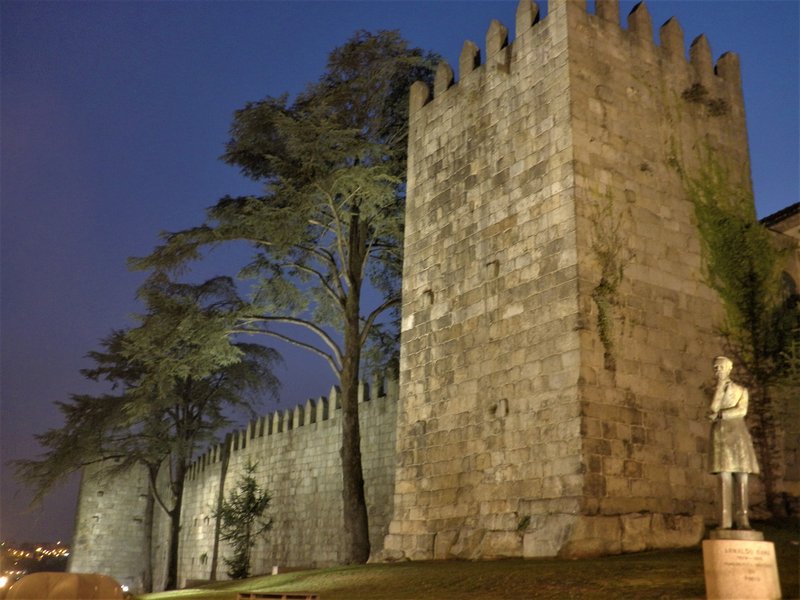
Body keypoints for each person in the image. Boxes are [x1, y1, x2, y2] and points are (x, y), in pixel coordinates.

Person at [707, 356, 760, 530]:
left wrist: (721, 414)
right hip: (720, 435)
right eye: (715, 368)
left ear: (729, 368)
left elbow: (742, 410)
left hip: (738, 434)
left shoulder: (741, 390)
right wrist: (719, 390)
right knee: (724, 477)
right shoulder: (711, 390)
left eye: (721, 367)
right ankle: (725, 521)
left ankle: (743, 520)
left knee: (742, 476)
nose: (718, 371)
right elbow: (710, 411)